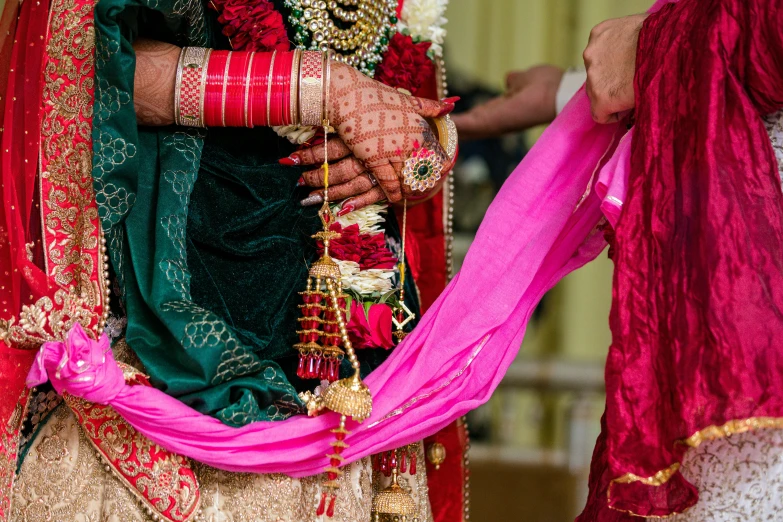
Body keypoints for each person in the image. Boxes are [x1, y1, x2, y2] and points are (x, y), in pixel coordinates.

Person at [0, 0, 467, 520]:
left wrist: (417, 146)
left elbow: (399, 87)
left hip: (353, 322)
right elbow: (89, 65)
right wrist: (324, 89)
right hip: (185, 304)